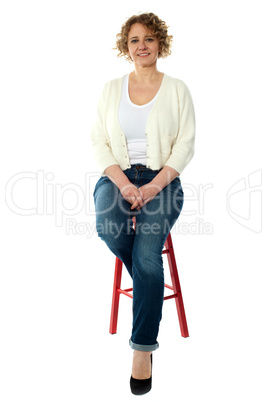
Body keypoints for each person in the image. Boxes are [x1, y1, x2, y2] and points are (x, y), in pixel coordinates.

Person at [91, 12, 195, 395]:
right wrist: (121, 183)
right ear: (126, 46)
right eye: (135, 39)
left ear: (160, 44)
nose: (142, 45)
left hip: (164, 182)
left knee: (149, 256)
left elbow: (185, 146)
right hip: (116, 178)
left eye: (150, 38)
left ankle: (142, 350)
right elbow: (98, 142)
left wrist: (151, 187)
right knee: (107, 227)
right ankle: (150, 292)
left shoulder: (177, 89)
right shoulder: (110, 90)